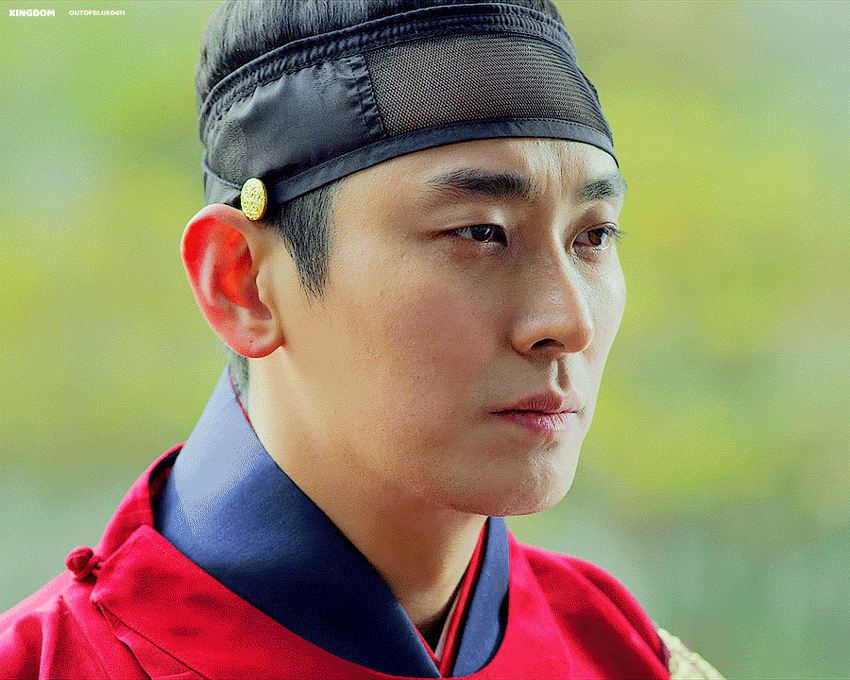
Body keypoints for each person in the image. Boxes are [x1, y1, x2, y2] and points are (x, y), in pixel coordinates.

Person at [0, 1, 723, 678]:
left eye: (593, 235)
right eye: (480, 232)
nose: (569, 323)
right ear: (242, 282)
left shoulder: (624, 653)